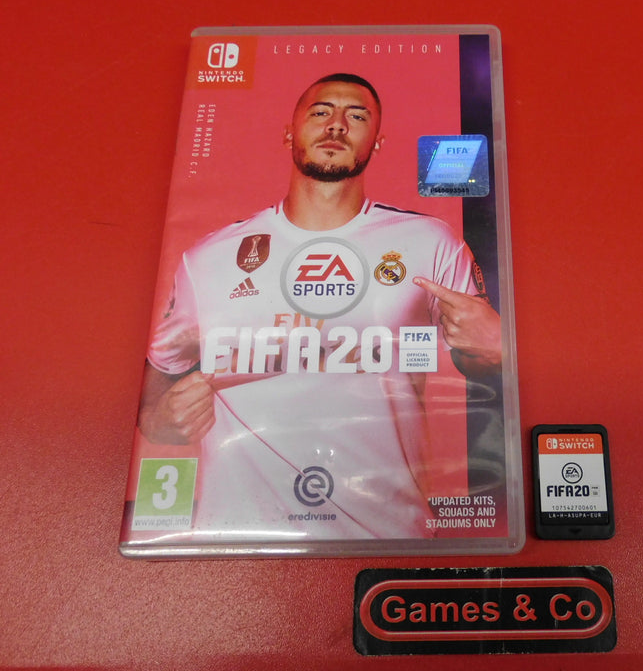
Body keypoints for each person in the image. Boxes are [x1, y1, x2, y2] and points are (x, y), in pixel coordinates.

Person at [136, 73, 502, 539]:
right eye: (321, 112)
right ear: (289, 133)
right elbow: (157, 384)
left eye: (357, 116)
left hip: (388, 532)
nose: (337, 125)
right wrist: (159, 419)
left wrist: (498, 346)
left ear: (377, 142)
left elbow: (483, 361)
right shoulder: (207, 258)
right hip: (237, 531)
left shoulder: (430, 242)